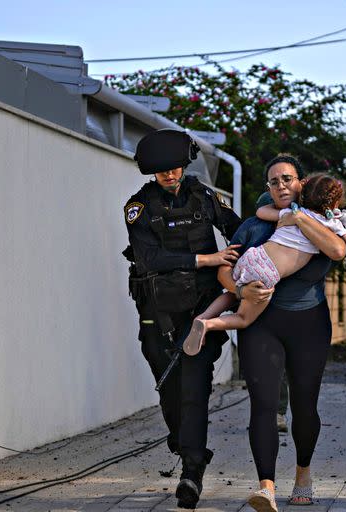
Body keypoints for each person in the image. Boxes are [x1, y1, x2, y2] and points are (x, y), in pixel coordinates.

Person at [216, 154, 346, 511]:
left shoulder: (323, 221)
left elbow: (340, 250)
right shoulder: (253, 226)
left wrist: (301, 218)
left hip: (309, 324)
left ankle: (303, 473)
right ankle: (266, 487)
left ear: (301, 182)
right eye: (274, 182)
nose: (281, 186)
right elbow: (224, 271)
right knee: (263, 405)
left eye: (287, 179)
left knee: (305, 408)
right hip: (262, 325)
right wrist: (241, 291)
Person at [122, 129, 242, 509]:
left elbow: (239, 230)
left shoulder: (204, 197)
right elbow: (149, 260)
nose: (169, 176)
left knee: (194, 390)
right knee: (170, 390)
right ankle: (184, 442)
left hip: (201, 313)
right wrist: (207, 260)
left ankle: (192, 471)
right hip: (158, 315)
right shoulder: (137, 208)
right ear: (151, 173)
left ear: (184, 164)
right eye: (161, 172)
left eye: (174, 168)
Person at [181, 173, 346, 355]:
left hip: (254, 256)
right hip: (268, 273)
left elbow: (261, 212)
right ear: (335, 204)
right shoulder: (329, 224)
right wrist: (342, 224)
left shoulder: (293, 212)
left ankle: (203, 316)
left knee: (233, 293)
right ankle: (208, 324)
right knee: (244, 318)